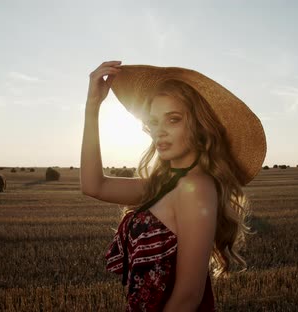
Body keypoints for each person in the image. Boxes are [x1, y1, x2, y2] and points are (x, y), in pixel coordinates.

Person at [80, 61, 266, 311]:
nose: (160, 132)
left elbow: (189, 296)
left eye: (173, 120)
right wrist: (93, 107)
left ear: (200, 126)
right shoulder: (165, 184)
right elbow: (94, 186)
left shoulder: (197, 188)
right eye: (154, 122)